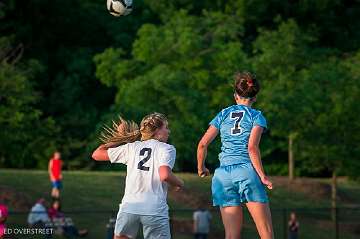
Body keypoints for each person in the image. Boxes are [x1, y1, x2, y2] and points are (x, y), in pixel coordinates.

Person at [197, 71, 274, 239]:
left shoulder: (223, 114)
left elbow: (202, 144)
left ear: (235, 96)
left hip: (222, 175)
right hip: (246, 170)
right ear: (254, 97)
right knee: (266, 233)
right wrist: (262, 176)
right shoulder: (256, 116)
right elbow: (252, 148)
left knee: (231, 235)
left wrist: (201, 167)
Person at [92, 112, 184, 239]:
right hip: (154, 209)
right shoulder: (167, 149)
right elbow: (164, 174)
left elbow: (97, 154)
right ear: (157, 131)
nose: (168, 131)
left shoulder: (132, 147)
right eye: (166, 127)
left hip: (129, 207)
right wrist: (179, 183)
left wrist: (119, 138)